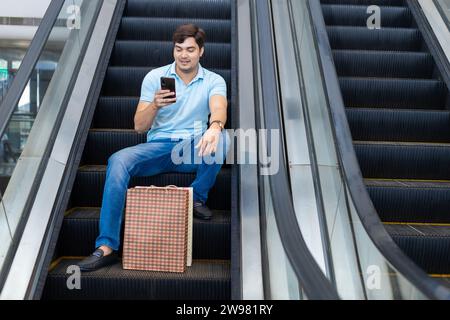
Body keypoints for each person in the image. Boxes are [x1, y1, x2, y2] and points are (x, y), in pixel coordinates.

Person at [78, 24, 230, 271]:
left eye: (190, 49)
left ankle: (196, 197)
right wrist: (155, 105)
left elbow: (219, 107)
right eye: (179, 49)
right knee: (118, 160)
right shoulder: (154, 78)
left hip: (192, 149)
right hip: (158, 148)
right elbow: (139, 126)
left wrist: (214, 126)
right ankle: (106, 246)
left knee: (224, 138)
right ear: (173, 50)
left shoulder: (214, 80)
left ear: (201, 51)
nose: (183, 55)